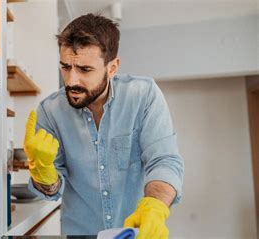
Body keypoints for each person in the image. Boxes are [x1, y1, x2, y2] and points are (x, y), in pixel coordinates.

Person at [23, 13, 184, 238]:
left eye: (84, 69)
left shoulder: (143, 95)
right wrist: (44, 176)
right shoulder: (50, 112)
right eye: (65, 67)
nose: (71, 80)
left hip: (136, 230)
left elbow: (164, 160)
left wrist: (155, 207)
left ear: (112, 67)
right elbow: (53, 190)